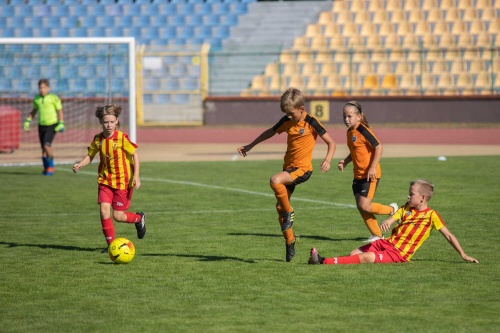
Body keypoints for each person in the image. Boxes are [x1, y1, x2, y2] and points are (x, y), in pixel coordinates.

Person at [237, 87, 336, 262]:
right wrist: (251, 145)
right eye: (286, 114)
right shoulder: (287, 120)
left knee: (275, 180)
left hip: (303, 169)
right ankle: (290, 241)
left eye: (291, 114)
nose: (289, 117)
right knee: (279, 208)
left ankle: (290, 212)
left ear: (301, 109)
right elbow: (270, 132)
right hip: (289, 168)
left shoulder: (311, 122)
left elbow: (331, 142)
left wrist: (328, 159)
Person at [309, 179, 479, 265]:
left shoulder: (432, 216)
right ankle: (334, 261)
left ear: (423, 198)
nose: (408, 196)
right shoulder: (407, 207)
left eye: (411, 194)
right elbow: (395, 216)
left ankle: (322, 261)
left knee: (367, 257)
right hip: (387, 243)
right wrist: (388, 222)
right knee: (354, 253)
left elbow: (449, 236)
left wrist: (463, 254)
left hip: (399, 254)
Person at [73, 104, 146, 252]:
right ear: (100, 122)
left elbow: (135, 155)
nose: (109, 125)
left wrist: (136, 176)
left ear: (117, 121)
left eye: (112, 122)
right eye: (106, 122)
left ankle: (139, 218)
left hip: (122, 183)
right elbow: (90, 155)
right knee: (104, 211)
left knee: (118, 216)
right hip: (105, 181)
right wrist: (81, 164)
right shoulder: (98, 139)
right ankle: (111, 245)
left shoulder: (121, 138)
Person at [338, 101, 397, 242]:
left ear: (359, 117)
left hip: (370, 174)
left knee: (365, 205)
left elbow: (379, 147)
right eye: (344, 117)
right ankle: (377, 235)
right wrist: (345, 162)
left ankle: (392, 211)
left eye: (349, 116)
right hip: (357, 175)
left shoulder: (363, 130)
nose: (346, 119)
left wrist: (372, 167)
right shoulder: (349, 132)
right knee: (361, 207)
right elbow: (356, 152)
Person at [23, 79, 65, 176]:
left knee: (47, 145)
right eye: (40, 88)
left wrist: (61, 123)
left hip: (52, 124)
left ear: (48, 88)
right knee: (43, 148)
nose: (42, 89)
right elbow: (34, 110)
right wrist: (28, 120)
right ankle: (46, 168)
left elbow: (59, 110)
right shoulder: (37, 98)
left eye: (44, 87)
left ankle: (51, 167)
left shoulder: (53, 98)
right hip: (41, 125)